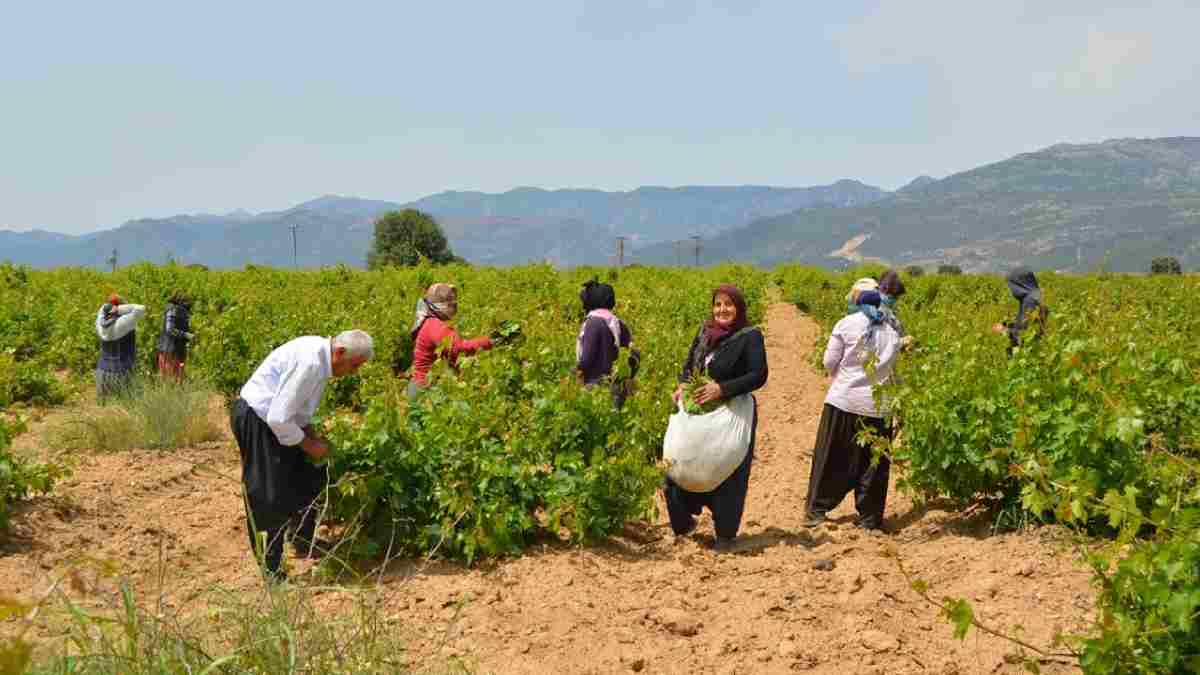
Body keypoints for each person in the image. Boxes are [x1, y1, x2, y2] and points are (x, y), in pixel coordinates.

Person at [232, 329, 373, 582]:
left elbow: (299, 412)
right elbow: (278, 417)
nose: (354, 372)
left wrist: (312, 436)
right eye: (354, 366)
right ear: (340, 352)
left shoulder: (322, 360)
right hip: (258, 418)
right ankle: (272, 572)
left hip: (277, 421)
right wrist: (309, 445)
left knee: (308, 475)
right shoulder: (310, 363)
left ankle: (301, 540)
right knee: (268, 494)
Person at [666, 285, 768, 551]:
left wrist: (721, 389)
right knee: (680, 460)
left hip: (732, 412)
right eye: (718, 304)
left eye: (729, 304)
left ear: (739, 308)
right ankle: (682, 521)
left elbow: (759, 375)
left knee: (729, 469)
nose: (722, 310)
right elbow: (690, 365)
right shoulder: (704, 331)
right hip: (698, 410)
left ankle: (724, 534)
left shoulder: (750, 336)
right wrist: (683, 385)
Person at [805, 289, 901, 532]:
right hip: (878, 407)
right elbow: (891, 371)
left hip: (844, 401)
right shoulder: (891, 333)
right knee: (873, 465)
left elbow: (828, 362)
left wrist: (842, 376)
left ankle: (817, 511)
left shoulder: (846, 324)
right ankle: (869, 519)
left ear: (857, 304)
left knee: (831, 457)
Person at [407, 283, 497, 400]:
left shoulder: (430, 322)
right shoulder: (435, 325)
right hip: (425, 390)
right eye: (451, 302)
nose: (454, 306)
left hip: (422, 387)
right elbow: (458, 348)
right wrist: (492, 341)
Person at [575, 280, 640, 406]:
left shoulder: (593, 323)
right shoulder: (617, 323)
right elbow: (636, 353)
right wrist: (628, 377)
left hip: (594, 386)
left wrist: (576, 370)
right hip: (615, 387)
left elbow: (587, 358)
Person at [94, 293, 146, 400]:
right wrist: (119, 309)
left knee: (105, 410)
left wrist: (109, 307)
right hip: (121, 372)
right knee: (124, 408)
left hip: (102, 371)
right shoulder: (124, 322)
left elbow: (102, 309)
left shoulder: (99, 322)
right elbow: (140, 308)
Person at [992, 266, 1048, 355]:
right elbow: (1025, 325)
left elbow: (1027, 334)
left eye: (1012, 286)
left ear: (1020, 284)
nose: (1011, 290)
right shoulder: (1034, 296)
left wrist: (1004, 330)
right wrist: (1008, 324)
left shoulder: (1031, 302)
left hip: (1026, 355)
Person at [155, 292, 194, 380]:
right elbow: (170, 329)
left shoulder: (174, 309)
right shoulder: (173, 309)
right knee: (171, 378)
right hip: (170, 349)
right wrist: (186, 335)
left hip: (172, 348)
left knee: (172, 378)